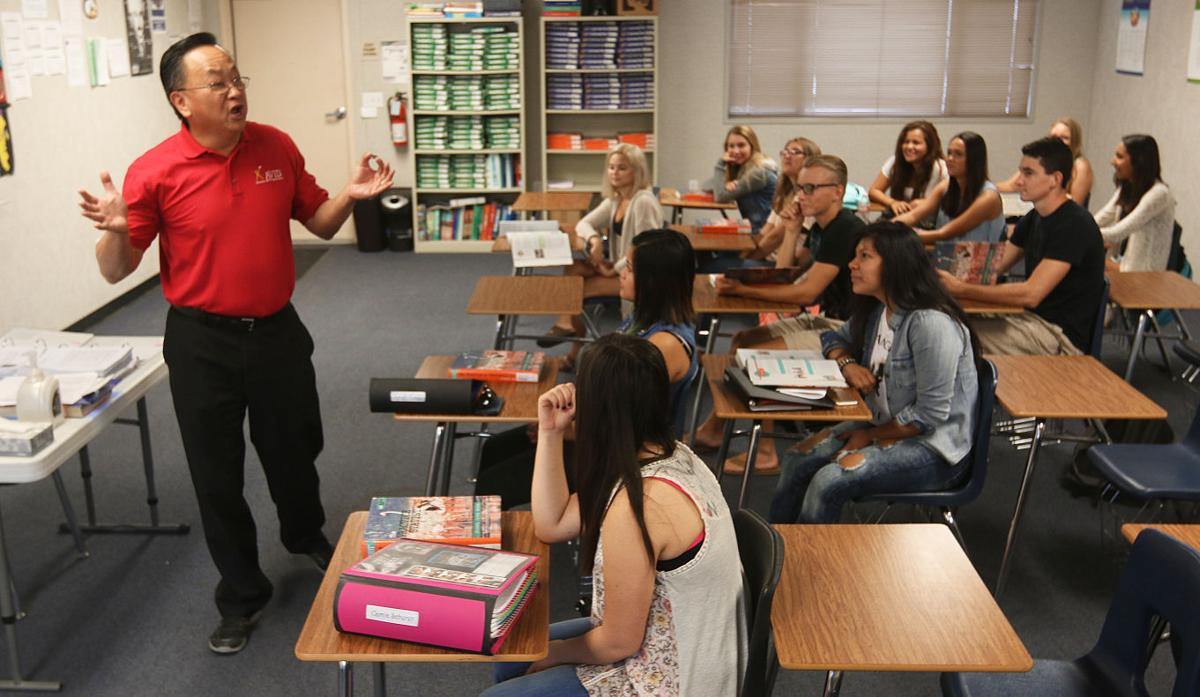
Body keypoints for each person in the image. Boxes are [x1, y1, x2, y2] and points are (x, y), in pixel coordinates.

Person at [77, 33, 394, 654]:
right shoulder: (154, 170)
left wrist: (350, 200)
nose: (235, 91)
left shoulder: (275, 145)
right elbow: (116, 270)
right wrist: (117, 229)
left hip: (277, 330)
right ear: (181, 100)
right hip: (201, 342)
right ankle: (242, 593)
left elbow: (317, 219)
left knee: (295, 448)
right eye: (217, 82)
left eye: (237, 78)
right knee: (216, 474)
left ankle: (303, 533)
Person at [481, 334, 746, 697]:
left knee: (502, 688)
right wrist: (551, 431)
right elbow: (552, 522)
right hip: (674, 642)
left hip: (669, 679)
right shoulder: (669, 454)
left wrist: (554, 654)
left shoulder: (640, 505)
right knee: (513, 654)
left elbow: (618, 642)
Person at [769, 222, 979, 523]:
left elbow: (927, 417)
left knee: (828, 482)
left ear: (895, 264)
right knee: (796, 459)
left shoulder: (930, 324)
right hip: (882, 425)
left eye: (864, 256)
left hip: (933, 450)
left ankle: (809, 566)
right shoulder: (879, 308)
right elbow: (833, 339)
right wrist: (847, 364)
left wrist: (869, 435)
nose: (852, 264)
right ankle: (779, 553)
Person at [476, 229, 699, 507]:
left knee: (494, 484)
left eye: (629, 268)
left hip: (626, 455)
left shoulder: (665, 346)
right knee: (495, 449)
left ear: (654, 281)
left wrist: (565, 432)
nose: (622, 274)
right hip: (599, 432)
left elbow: (627, 422)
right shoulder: (643, 319)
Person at [693, 155, 866, 475]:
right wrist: (791, 230)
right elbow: (784, 274)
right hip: (828, 320)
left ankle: (766, 452)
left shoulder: (846, 228)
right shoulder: (822, 228)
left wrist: (743, 290)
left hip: (846, 331)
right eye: (801, 188)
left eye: (812, 188)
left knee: (756, 353)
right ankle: (714, 429)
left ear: (837, 192)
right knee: (743, 339)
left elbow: (805, 293)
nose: (802, 195)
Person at [939, 137, 1105, 356]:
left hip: (1058, 337)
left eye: (1028, 173)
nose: (1019, 182)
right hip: (1029, 319)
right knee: (943, 318)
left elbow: (1031, 294)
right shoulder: (1035, 217)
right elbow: (993, 264)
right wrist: (938, 270)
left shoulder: (1074, 224)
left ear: (1055, 179)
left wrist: (961, 288)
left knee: (951, 333)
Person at [539, 144, 662, 348]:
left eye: (622, 168)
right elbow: (583, 224)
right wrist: (595, 240)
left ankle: (571, 342)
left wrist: (612, 269)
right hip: (620, 267)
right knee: (573, 269)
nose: (614, 173)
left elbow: (644, 249)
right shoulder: (617, 199)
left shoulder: (643, 202)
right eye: (611, 167)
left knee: (577, 289)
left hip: (638, 274)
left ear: (637, 171)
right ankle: (566, 324)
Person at [894, 131, 1005, 244]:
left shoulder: (988, 197)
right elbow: (914, 215)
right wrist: (885, 229)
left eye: (958, 154)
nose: (950, 159)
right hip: (947, 257)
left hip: (981, 260)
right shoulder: (945, 186)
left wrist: (902, 236)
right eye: (949, 153)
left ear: (974, 160)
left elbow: (945, 233)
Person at [1094, 134, 1176, 273]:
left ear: (1139, 161)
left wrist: (1080, 232)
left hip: (1143, 277)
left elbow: (1117, 233)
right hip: (1121, 267)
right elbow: (1100, 218)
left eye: (1119, 157)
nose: (1112, 161)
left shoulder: (1160, 194)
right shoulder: (1126, 187)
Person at [743, 136, 822, 263]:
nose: (787, 156)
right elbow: (765, 232)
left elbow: (774, 238)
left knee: (720, 265)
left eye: (795, 152)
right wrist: (743, 252)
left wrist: (744, 261)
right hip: (767, 258)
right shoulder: (786, 193)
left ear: (810, 159)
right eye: (785, 152)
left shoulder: (808, 197)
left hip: (783, 264)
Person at [998, 117, 1093, 207]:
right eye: (1054, 137)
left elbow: (1075, 204)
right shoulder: (1042, 161)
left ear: (1074, 141)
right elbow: (1011, 186)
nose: (1058, 141)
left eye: (1064, 137)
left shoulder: (1080, 165)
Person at [868, 120, 948, 223]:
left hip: (928, 224)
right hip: (900, 221)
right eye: (906, 142)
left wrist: (928, 203)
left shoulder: (941, 168)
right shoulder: (895, 162)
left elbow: (955, 201)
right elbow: (874, 191)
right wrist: (893, 203)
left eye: (916, 143)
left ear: (930, 146)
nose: (909, 147)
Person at [709, 124, 778, 232]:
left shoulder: (758, 172)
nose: (736, 151)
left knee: (712, 240)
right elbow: (707, 186)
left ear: (752, 146)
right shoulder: (741, 168)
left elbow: (720, 197)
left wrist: (720, 164)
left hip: (763, 233)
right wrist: (726, 184)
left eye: (741, 145)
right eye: (731, 146)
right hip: (754, 227)